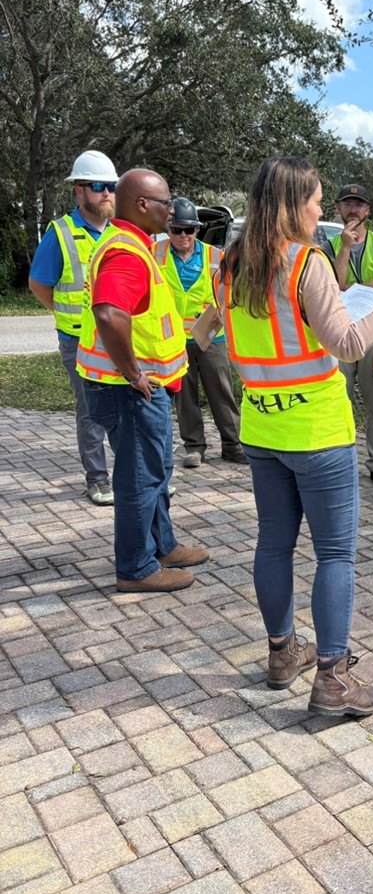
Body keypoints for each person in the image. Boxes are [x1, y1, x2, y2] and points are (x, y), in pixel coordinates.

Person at [217, 157, 373, 715]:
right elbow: (347, 344)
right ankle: (333, 680)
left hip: (262, 426)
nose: (323, 210)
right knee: (334, 553)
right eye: (316, 201)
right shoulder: (305, 262)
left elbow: (204, 333)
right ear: (294, 204)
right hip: (315, 430)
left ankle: (281, 654)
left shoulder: (231, 261)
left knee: (273, 543)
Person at [76, 169, 208, 593]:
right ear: (141, 205)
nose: (172, 210)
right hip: (128, 390)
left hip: (140, 388)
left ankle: (162, 545)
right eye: (165, 202)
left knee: (156, 469)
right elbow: (109, 313)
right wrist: (133, 372)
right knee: (140, 479)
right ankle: (135, 568)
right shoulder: (127, 253)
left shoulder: (136, 246)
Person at [28, 150, 118, 505]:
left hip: (120, 339)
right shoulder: (60, 233)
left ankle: (130, 475)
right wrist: (65, 315)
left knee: (126, 410)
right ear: (78, 190)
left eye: (110, 186)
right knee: (91, 413)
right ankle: (98, 480)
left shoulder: (120, 231)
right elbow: (38, 285)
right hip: (79, 341)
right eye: (98, 186)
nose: (106, 193)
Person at [152, 197, 245, 467]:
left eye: (189, 230)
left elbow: (233, 290)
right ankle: (194, 446)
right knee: (185, 396)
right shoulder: (153, 253)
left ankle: (233, 444)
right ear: (168, 229)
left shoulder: (216, 256)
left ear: (197, 229)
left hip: (210, 337)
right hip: (174, 340)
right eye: (177, 229)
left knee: (222, 392)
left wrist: (222, 310)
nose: (183, 235)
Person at [322, 184, 373, 491]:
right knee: (336, 401)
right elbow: (333, 285)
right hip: (338, 332)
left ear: (368, 210)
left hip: (372, 331)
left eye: (359, 204)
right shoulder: (329, 245)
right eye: (347, 204)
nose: (353, 209)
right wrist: (344, 248)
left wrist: (354, 290)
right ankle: (337, 462)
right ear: (338, 209)